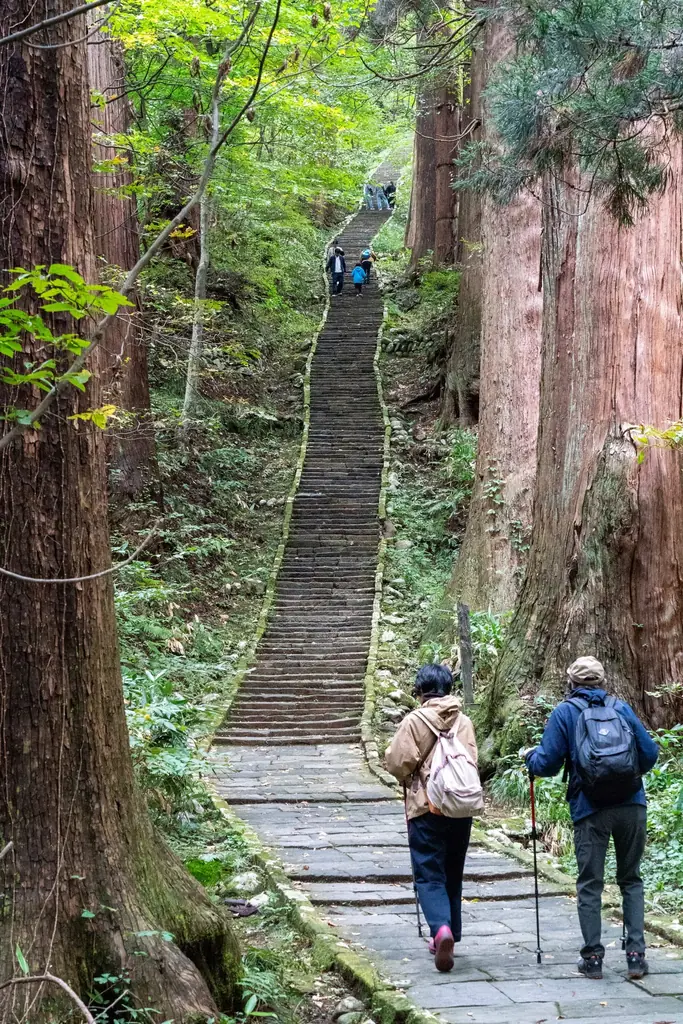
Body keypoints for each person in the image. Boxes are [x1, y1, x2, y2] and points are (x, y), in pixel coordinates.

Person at [526, 656, 659, 982]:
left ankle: (593, 959)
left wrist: (530, 758)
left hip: (590, 809)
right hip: (632, 806)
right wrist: (622, 776)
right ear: (602, 681)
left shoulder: (565, 712)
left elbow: (547, 765)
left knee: (590, 885)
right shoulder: (621, 708)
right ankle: (636, 956)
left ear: (571, 683)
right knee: (631, 880)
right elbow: (650, 754)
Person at [385, 664, 477, 973]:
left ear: (421, 690)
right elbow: (473, 760)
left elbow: (397, 764)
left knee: (428, 872)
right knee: (453, 870)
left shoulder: (415, 720)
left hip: (426, 807)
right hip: (460, 808)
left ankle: (441, 930)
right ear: (448, 688)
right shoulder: (464, 721)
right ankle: (451, 931)